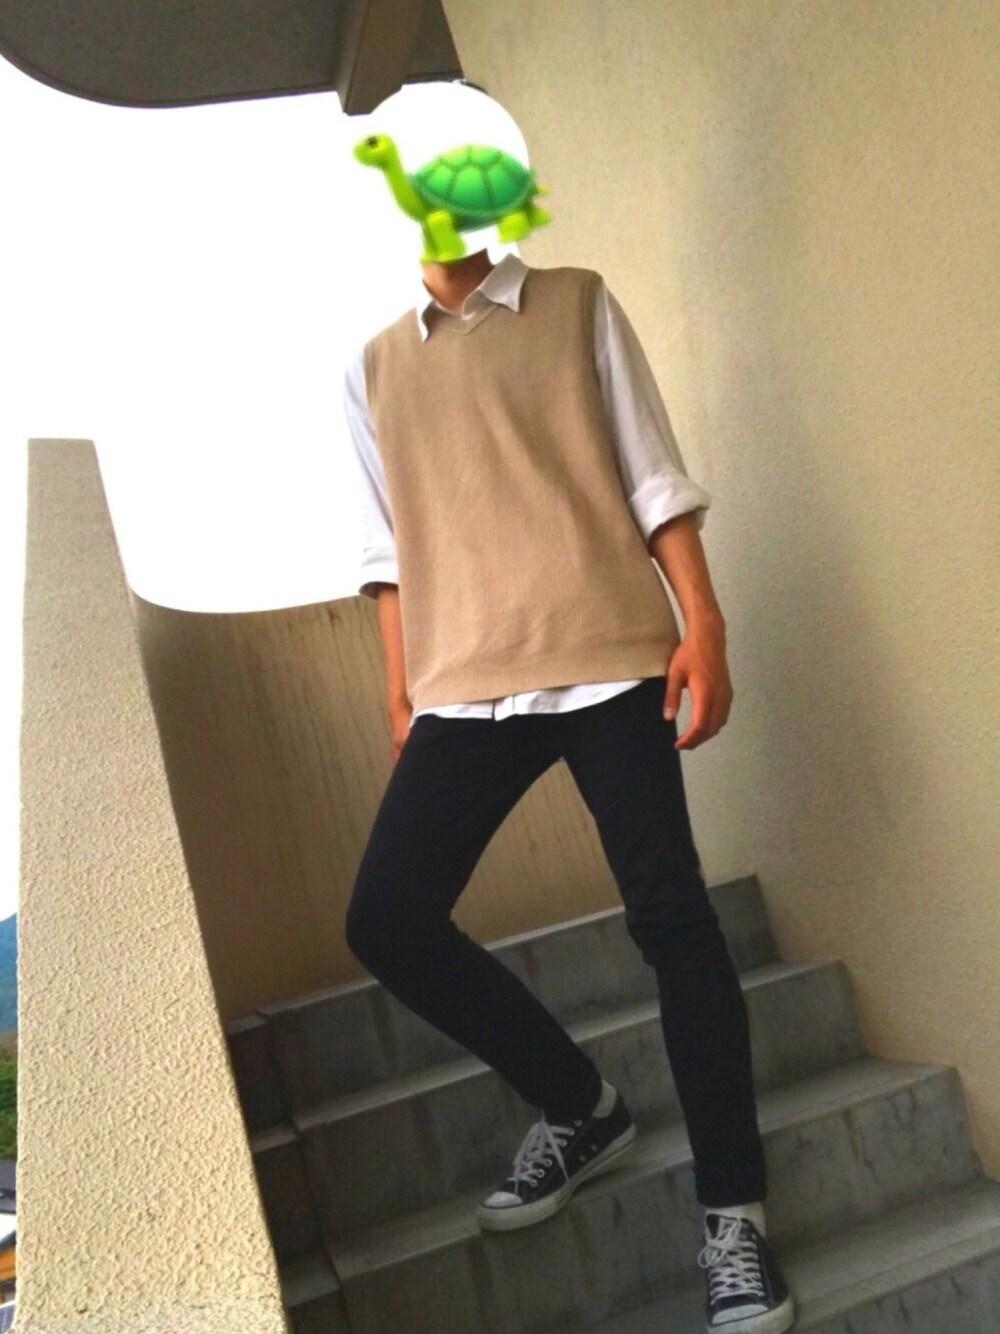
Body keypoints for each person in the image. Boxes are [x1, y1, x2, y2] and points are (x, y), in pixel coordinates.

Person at [341, 246, 795, 1333]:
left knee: (672, 917)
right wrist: (402, 695)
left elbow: (652, 478)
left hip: (609, 656)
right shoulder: (373, 367)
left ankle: (735, 1218)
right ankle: (581, 1104)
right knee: (386, 918)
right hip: (463, 689)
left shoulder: (576, 302)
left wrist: (703, 624)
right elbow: (386, 552)